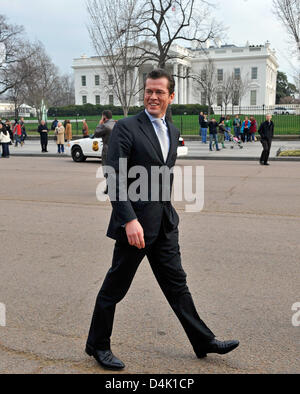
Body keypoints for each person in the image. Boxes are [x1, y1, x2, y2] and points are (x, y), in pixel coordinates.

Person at [85, 69, 239, 370]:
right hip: (137, 227)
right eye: (148, 91)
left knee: (177, 285)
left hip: (164, 223)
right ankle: (98, 345)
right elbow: (114, 177)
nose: (152, 96)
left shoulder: (170, 126)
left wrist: (166, 212)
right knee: (115, 287)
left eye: (159, 92)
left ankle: (203, 340)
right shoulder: (127, 127)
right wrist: (128, 220)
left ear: (171, 96)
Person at [94, 110, 116, 194]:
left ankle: (109, 187)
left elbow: (96, 133)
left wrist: (100, 123)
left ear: (104, 117)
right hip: (116, 148)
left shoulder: (105, 126)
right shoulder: (115, 123)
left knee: (106, 168)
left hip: (107, 149)